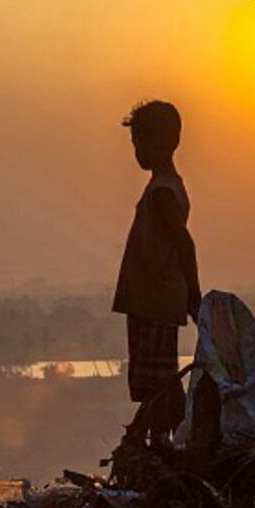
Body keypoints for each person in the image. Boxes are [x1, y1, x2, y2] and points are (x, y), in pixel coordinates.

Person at [113, 100, 202, 448]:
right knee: (157, 379)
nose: (136, 150)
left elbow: (185, 245)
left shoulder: (164, 190)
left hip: (156, 300)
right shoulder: (163, 187)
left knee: (157, 382)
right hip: (153, 299)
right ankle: (161, 440)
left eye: (140, 141)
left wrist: (193, 294)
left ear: (162, 142)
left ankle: (161, 441)